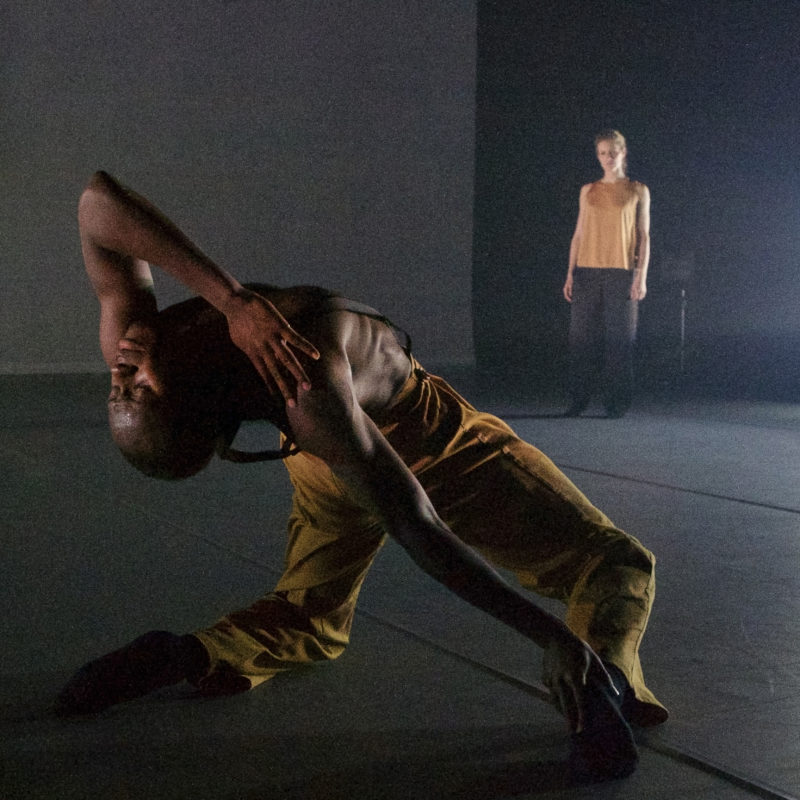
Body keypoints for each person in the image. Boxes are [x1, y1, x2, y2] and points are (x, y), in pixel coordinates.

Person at [57, 171, 668, 781]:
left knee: (308, 616)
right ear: (201, 399)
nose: (122, 374)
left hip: (320, 454)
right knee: (613, 563)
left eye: (119, 388)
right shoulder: (306, 385)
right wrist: (550, 638)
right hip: (417, 441)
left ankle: (192, 656)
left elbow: (96, 202)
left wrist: (233, 299)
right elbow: (417, 525)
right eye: (135, 388)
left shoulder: (135, 341)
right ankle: (603, 685)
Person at [562, 129, 651, 418]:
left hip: (621, 271)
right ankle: (578, 399)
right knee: (581, 340)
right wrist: (570, 273)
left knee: (619, 341)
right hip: (587, 271)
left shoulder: (637, 190)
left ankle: (616, 402)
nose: (607, 158)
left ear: (623, 153)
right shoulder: (588, 190)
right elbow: (578, 233)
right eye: (602, 153)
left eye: (612, 152)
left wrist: (641, 276)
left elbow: (644, 236)